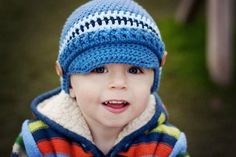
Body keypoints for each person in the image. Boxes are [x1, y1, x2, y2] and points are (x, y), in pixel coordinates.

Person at [11, 0, 189, 156]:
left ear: (154, 78)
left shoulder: (166, 145)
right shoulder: (39, 142)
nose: (119, 84)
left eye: (134, 70)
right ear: (68, 80)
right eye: (99, 69)